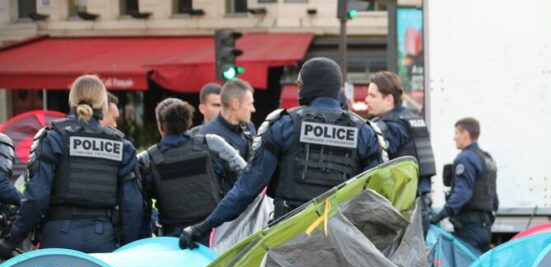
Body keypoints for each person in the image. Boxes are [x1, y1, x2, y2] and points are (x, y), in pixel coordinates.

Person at [178, 57, 387, 249]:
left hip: (289, 240)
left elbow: (246, 189)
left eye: (301, 84)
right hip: (342, 242)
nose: (298, 90)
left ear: (312, 85)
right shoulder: (365, 133)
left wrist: (203, 227)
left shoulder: (284, 125)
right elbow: (377, 198)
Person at [0, 74, 143, 258]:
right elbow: (133, 206)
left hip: (58, 239)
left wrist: (11, 241)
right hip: (104, 242)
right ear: (104, 104)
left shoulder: (54, 138)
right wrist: (126, 251)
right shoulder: (122, 146)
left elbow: (36, 198)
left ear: (72, 101)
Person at [137, 98, 246, 236]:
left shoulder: (147, 159)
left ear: (161, 126)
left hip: (173, 239)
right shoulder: (212, 144)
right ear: (189, 122)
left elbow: (139, 204)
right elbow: (246, 176)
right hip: (214, 234)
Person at [366, 71, 436, 235]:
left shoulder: (388, 128)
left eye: (372, 96)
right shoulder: (414, 120)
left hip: (400, 215)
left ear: (389, 99)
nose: (366, 100)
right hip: (421, 210)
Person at [431, 117, 498, 253]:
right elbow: (494, 198)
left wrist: (440, 215)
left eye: (456, 133)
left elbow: (463, 193)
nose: (454, 138)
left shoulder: (465, 158)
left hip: (468, 227)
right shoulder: (487, 159)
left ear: (465, 134)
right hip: (484, 228)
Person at [196, 78, 256, 161]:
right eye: (249, 104)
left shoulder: (249, 127)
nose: (253, 109)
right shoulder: (206, 135)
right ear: (235, 104)